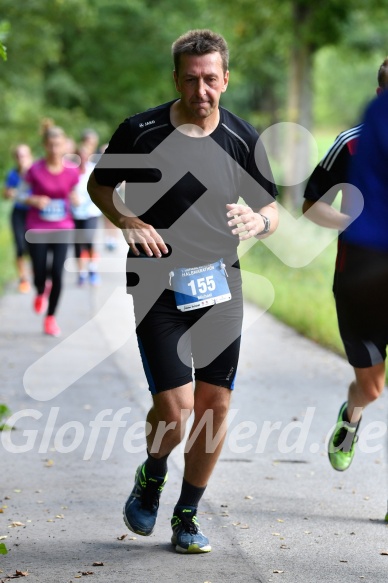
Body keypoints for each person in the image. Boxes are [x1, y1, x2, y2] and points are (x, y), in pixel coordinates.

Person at [88, 29, 278, 553]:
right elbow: (99, 185)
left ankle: (187, 514)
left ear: (226, 79)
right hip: (155, 281)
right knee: (175, 409)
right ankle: (152, 473)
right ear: (176, 78)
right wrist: (125, 219)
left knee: (214, 406)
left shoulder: (242, 138)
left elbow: (271, 209)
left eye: (211, 79)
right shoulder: (140, 131)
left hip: (220, 281)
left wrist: (256, 222)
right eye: (191, 80)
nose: (202, 91)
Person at [303, 59, 388, 518]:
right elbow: (310, 204)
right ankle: (351, 416)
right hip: (361, 283)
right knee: (372, 389)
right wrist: (351, 222)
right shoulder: (352, 144)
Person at [24, 123, 79, 337]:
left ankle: (50, 318)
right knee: (39, 271)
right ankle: (39, 290)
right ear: (45, 146)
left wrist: (74, 198)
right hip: (37, 227)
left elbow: (73, 194)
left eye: (58, 144)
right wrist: (33, 199)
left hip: (62, 226)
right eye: (51, 145)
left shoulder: (72, 171)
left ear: (64, 145)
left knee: (57, 272)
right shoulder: (34, 170)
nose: (55, 149)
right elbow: (20, 194)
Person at [2, 144, 34, 293]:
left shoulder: (35, 172)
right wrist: (10, 193)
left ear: (30, 156)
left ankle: (37, 272)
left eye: (24, 155)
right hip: (19, 213)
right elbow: (6, 194)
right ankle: (23, 279)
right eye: (18, 156)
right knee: (20, 246)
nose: (21, 159)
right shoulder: (13, 174)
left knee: (33, 246)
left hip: (34, 213)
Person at [70, 146, 102, 286]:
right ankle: (81, 273)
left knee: (88, 240)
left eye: (84, 156)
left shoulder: (93, 170)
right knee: (77, 244)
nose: (82, 160)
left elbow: (100, 189)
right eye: (79, 156)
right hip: (75, 212)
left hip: (90, 212)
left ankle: (92, 269)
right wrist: (71, 196)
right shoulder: (70, 171)